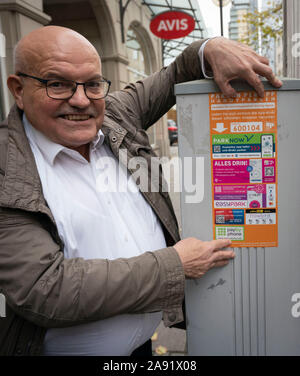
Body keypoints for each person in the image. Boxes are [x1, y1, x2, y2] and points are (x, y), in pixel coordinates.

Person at [0, 26, 282, 356]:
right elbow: (45, 288)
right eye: (57, 84)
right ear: (18, 89)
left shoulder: (114, 115)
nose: (80, 100)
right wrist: (175, 266)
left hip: (142, 351)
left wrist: (210, 48)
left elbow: (176, 73)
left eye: (92, 84)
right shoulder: (8, 167)